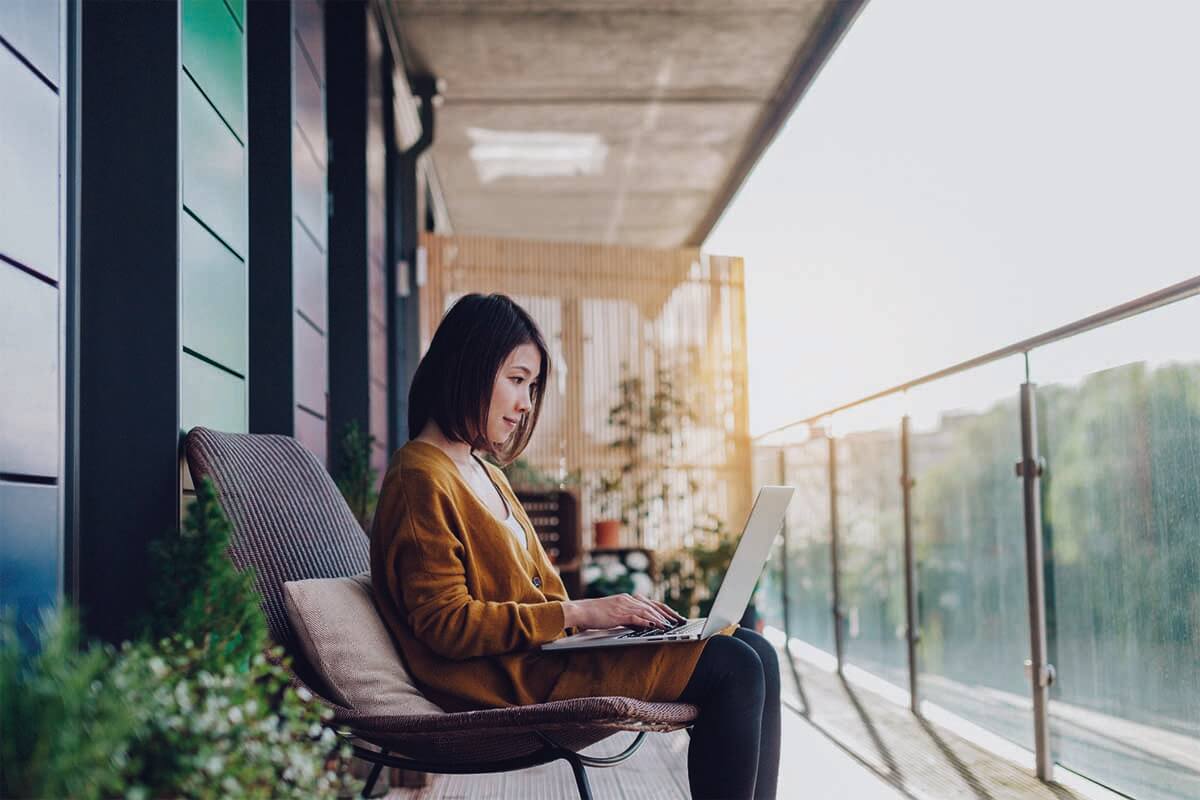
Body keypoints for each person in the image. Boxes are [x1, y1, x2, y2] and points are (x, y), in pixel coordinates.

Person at [369, 293, 781, 799]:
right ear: (468, 368)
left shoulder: (484, 472)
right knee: (734, 666)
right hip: (504, 680)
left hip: (546, 657)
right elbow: (445, 625)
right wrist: (584, 614)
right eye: (516, 380)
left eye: (531, 386)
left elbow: (537, 598)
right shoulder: (420, 477)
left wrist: (617, 628)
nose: (524, 404)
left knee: (757, 648)